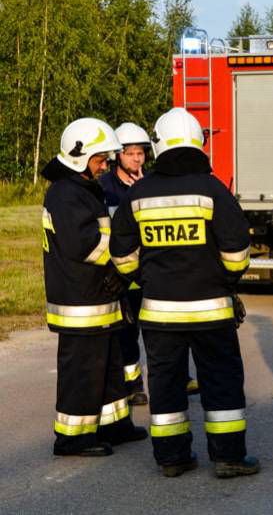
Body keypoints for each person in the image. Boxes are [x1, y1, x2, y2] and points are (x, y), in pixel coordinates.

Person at [110, 107, 259, 478]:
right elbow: (238, 247)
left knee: (166, 385)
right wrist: (227, 279)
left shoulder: (139, 193)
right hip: (212, 311)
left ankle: (172, 459)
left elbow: (121, 255)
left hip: (159, 313)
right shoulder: (212, 189)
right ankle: (229, 458)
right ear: (198, 143)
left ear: (158, 146)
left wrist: (145, 280)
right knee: (221, 382)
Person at [41, 117, 147, 457]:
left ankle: (114, 426)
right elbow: (84, 244)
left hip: (99, 296)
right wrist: (124, 252)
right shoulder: (65, 193)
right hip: (80, 301)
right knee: (83, 372)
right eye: (99, 159)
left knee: (110, 364)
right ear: (78, 156)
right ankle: (73, 439)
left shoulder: (82, 188)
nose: (104, 166)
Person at [100, 123, 199, 406]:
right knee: (127, 335)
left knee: (168, 331)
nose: (137, 159)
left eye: (141, 153)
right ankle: (133, 385)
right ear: (117, 156)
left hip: (155, 272)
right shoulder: (105, 188)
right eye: (130, 153)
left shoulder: (154, 184)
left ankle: (180, 377)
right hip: (125, 273)